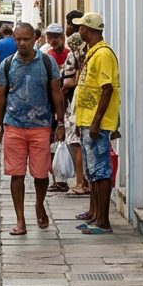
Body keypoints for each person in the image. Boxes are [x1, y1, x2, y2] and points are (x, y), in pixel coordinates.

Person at [0, 23, 64, 235]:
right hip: (14, 124)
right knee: (16, 174)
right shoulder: (7, 64)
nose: (22, 43)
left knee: (41, 174)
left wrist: (60, 123)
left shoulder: (47, 62)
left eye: (26, 39)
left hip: (41, 126)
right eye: (18, 39)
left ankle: (39, 204)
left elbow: (56, 93)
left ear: (35, 39)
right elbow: (0, 97)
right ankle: (20, 220)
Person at [72, 12, 119, 235]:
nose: (78, 30)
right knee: (92, 172)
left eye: (81, 27)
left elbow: (106, 89)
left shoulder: (103, 55)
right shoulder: (92, 52)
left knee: (101, 172)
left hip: (96, 124)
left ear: (89, 30)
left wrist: (96, 122)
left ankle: (103, 221)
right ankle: (94, 213)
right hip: (86, 120)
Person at [60, 12, 91, 196]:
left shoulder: (75, 55)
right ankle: (85, 181)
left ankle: (81, 182)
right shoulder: (88, 53)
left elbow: (69, 82)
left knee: (76, 144)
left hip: (75, 104)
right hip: (84, 104)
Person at [41, 24, 74, 193]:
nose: (54, 40)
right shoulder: (47, 57)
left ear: (62, 37)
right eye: (50, 37)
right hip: (51, 106)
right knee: (50, 142)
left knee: (67, 142)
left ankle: (64, 178)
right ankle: (56, 178)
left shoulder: (70, 55)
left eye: (57, 37)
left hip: (68, 105)